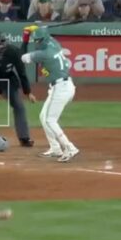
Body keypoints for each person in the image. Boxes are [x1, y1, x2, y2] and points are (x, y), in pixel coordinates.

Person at [20, 25, 79, 163]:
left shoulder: (44, 54)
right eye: (36, 40)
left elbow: (21, 57)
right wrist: (37, 29)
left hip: (61, 87)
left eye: (39, 40)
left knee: (50, 120)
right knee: (43, 116)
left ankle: (70, 147)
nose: (37, 43)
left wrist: (26, 38)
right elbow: (44, 33)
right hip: (61, 86)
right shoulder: (53, 42)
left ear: (44, 39)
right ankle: (55, 148)